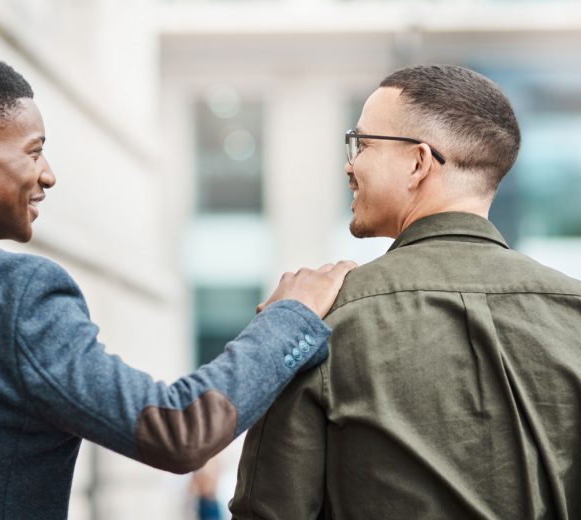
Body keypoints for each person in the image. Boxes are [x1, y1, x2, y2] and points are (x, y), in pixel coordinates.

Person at [0, 52, 356, 519]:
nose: (48, 175)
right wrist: (292, 316)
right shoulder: (14, 291)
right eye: (34, 151)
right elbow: (178, 429)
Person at [230, 64, 581, 519]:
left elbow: (270, 510)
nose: (349, 164)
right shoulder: (574, 314)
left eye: (362, 143)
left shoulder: (319, 319)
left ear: (418, 162)